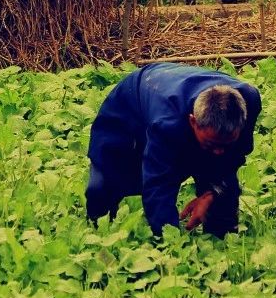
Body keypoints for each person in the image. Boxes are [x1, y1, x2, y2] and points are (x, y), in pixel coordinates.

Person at [85, 62, 261, 237]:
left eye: (227, 143)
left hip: (177, 87)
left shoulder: (248, 100)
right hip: (132, 101)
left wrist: (213, 192)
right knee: (102, 185)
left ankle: (222, 240)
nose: (218, 152)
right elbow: (158, 187)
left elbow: (235, 154)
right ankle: (98, 232)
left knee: (223, 186)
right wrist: (171, 241)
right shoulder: (168, 124)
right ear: (193, 122)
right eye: (211, 144)